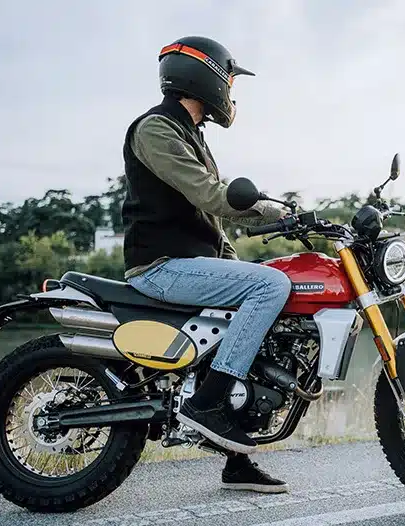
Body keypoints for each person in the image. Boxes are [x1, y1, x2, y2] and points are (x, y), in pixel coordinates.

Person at [121, 36, 291, 494]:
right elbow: (211, 196)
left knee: (272, 293)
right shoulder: (156, 128)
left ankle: (237, 462)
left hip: (190, 263)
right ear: (206, 76)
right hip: (160, 265)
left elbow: (211, 222)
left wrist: (242, 261)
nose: (231, 94)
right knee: (270, 286)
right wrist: (272, 209)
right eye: (230, 81)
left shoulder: (192, 135)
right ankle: (207, 403)